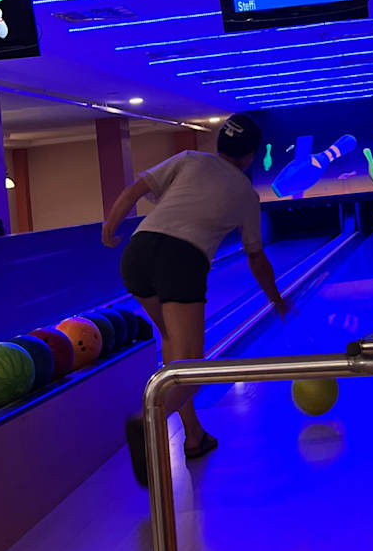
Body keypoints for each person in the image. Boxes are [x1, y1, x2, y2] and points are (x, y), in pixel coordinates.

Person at [101, 114, 291, 485]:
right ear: (250, 156)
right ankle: (147, 421)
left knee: (175, 353)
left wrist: (110, 227)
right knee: (190, 373)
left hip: (137, 252)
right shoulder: (246, 194)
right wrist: (277, 300)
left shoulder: (189, 159)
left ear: (219, 143)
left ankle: (194, 436)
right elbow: (256, 259)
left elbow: (133, 191)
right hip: (181, 260)